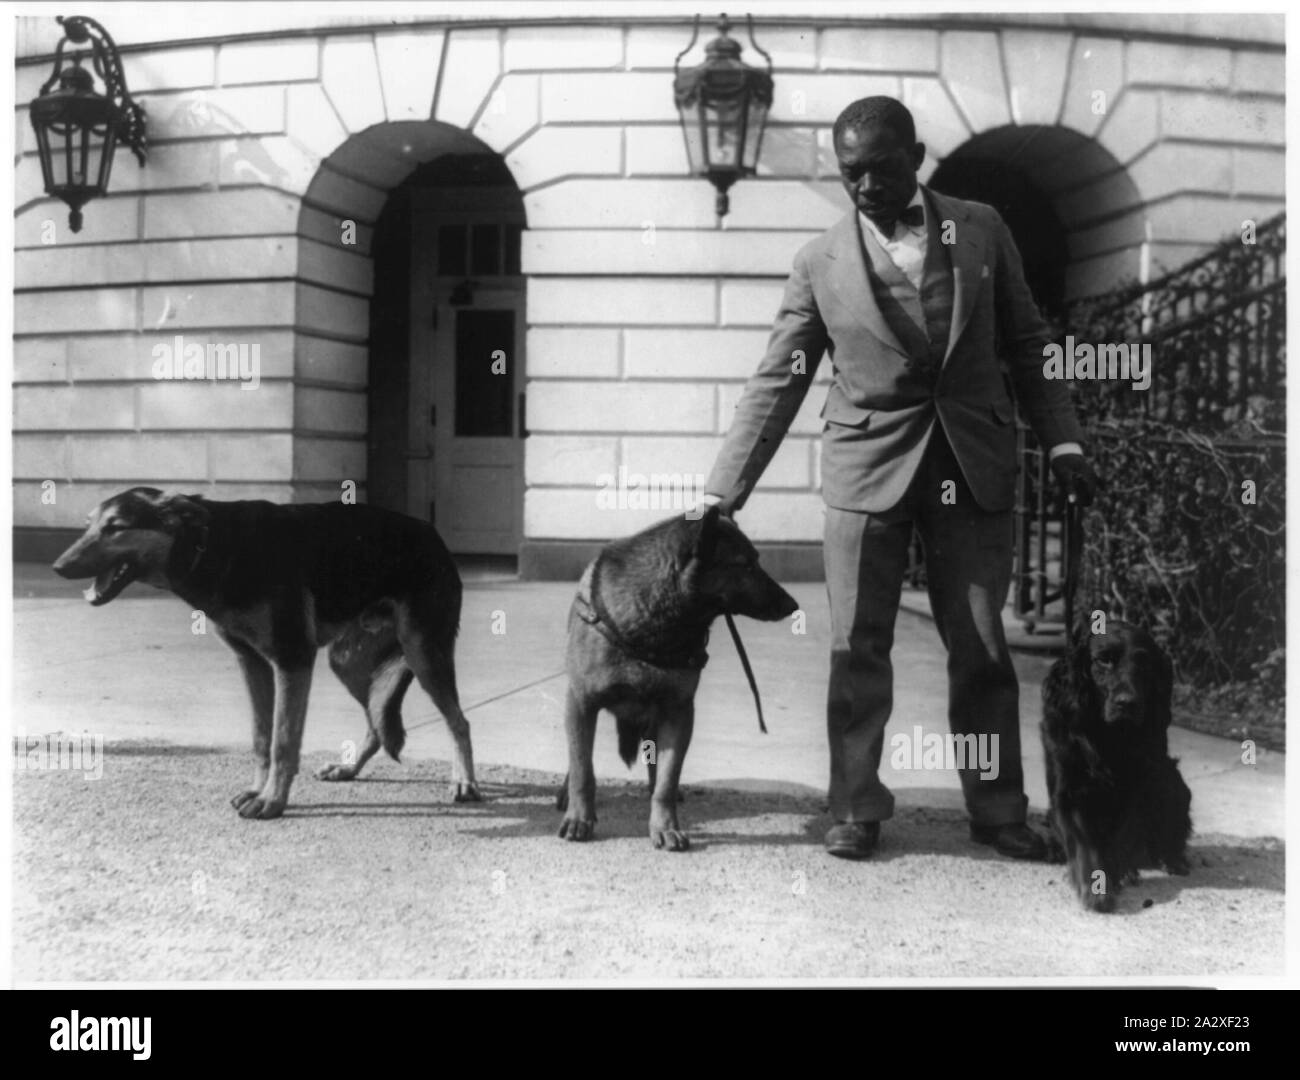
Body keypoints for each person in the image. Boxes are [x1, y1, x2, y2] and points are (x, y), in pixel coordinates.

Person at [702, 96, 1098, 860]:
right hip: (864, 468)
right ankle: (855, 807)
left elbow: (1028, 340)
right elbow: (779, 378)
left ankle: (998, 810)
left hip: (972, 464)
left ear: (915, 158)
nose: (867, 188)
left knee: (983, 648)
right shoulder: (819, 260)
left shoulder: (980, 227)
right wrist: (724, 491)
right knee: (857, 645)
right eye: (851, 174)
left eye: (882, 169)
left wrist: (1066, 445)